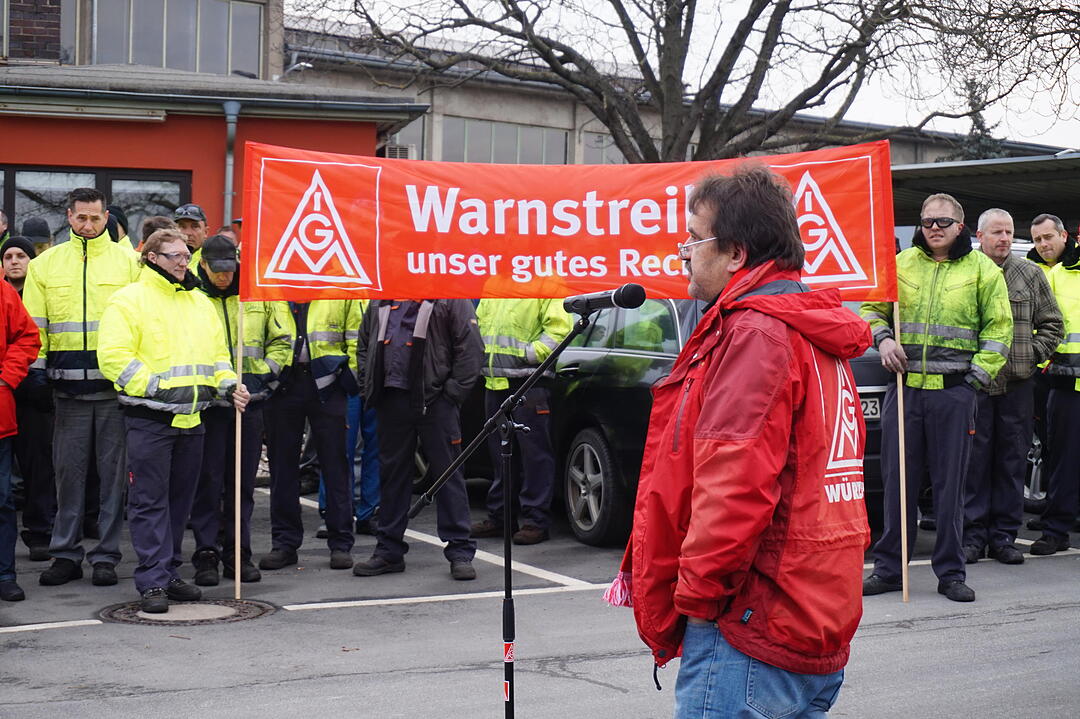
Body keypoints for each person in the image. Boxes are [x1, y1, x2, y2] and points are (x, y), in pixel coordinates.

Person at [606, 166, 871, 718]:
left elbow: (735, 487)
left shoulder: (757, 334)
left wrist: (698, 602)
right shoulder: (806, 327)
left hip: (750, 628)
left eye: (693, 238)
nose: (683, 252)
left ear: (734, 253)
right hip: (808, 612)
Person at [861, 193, 1012, 603]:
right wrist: (884, 338)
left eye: (942, 223)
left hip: (954, 392)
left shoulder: (982, 269)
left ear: (959, 227)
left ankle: (950, 573)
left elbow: (1000, 330)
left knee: (951, 488)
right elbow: (870, 309)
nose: (933, 229)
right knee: (897, 485)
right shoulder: (901, 264)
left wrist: (974, 381)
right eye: (927, 222)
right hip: (905, 390)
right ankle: (890, 570)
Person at [97, 228, 249, 613]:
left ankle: (168, 573)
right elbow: (113, 356)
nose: (184, 261)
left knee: (180, 505)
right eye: (175, 256)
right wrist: (158, 388)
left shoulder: (199, 302)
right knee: (149, 504)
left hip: (193, 420)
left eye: (186, 254)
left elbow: (218, 358)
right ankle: (151, 582)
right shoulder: (129, 300)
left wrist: (230, 384)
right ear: (152, 258)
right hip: (149, 420)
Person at [23, 188, 141, 588]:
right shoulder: (46, 266)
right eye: (81, 218)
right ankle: (66, 554)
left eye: (95, 218)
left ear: (106, 217)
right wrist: (35, 374)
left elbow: (141, 324)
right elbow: (35, 328)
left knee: (112, 480)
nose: (88, 225)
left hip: (115, 392)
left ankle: (106, 556)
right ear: (69, 217)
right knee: (67, 477)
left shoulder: (131, 263)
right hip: (65, 391)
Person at [354, 297, 482, 580]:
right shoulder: (381, 298)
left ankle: (460, 551)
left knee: (449, 475)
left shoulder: (448, 295)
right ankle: (388, 551)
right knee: (393, 476)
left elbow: (470, 348)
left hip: (436, 401)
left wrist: (451, 394)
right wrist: (369, 386)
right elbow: (364, 344)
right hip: (391, 398)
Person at [188, 235, 291, 585]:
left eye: (229, 270)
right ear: (202, 265)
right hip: (208, 407)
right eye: (216, 271)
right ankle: (205, 553)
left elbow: (282, 341)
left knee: (241, 484)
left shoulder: (256, 294)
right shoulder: (191, 297)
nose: (223, 277)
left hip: (249, 405)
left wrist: (260, 382)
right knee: (207, 483)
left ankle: (238, 553)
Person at [962, 209, 1062, 565]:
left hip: (1018, 385)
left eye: (1008, 232)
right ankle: (972, 537)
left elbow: (1053, 325)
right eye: (997, 232)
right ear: (979, 235)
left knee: (1011, 462)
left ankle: (1004, 537)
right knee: (973, 463)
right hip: (975, 384)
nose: (1004, 238)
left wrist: (1028, 356)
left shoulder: (1029, 274)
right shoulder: (964, 272)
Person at [260, 299, 362, 571]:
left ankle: (341, 543)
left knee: (336, 466)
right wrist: (266, 378)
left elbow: (357, 336)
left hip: (329, 385)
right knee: (282, 469)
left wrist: (347, 380)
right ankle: (284, 543)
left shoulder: (338, 285)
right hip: (283, 386)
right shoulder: (273, 285)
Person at [470, 298, 571, 544]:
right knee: (501, 456)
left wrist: (527, 354)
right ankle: (500, 517)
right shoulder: (495, 282)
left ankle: (535, 521)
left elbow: (560, 330)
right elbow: (479, 325)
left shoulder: (545, 281)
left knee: (535, 456)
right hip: (495, 382)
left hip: (529, 382)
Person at [3, 236, 56, 561]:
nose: (14, 261)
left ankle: (40, 532)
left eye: (20, 254)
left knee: (38, 465)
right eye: (8, 255)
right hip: (7, 391)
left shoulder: (40, 291)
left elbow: (32, 338)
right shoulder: (3, 293)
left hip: (33, 389)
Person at [1030, 239, 1080, 556]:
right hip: (1066, 386)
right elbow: (1040, 325)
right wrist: (1043, 365)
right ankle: (1056, 531)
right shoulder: (1057, 274)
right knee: (1063, 463)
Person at [0, 274, 42, 600]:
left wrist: (6, 380)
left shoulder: (2, 292)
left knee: (2, 502)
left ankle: (4, 575)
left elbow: (28, 337)